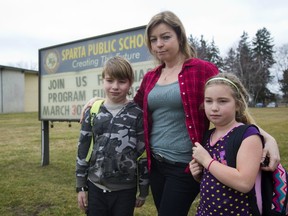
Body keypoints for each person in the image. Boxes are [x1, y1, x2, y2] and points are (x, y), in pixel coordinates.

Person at [80, 10, 280, 216]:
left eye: (166, 37)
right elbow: (130, 107)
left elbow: (232, 101)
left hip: (185, 165)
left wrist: (266, 137)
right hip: (155, 164)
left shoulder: (202, 70)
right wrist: (101, 101)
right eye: (154, 39)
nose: (159, 44)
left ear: (180, 37)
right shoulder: (151, 77)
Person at [75, 56, 149, 216]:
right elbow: (83, 149)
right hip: (95, 187)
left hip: (125, 191)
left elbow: (142, 155)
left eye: (122, 81)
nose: (115, 87)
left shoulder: (137, 114)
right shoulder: (93, 111)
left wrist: (143, 189)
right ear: (103, 80)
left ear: (130, 83)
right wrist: (81, 185)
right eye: (110, 80)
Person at [189, 73, 264, 215]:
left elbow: (244, 183)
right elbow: (214, 178)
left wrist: (206, 161)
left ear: (238, 105)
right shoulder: (207, 135)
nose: (214, 108)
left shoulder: (248, 135)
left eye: (222, 101)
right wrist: (198, 174)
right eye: (208, 101)